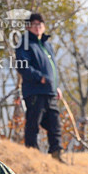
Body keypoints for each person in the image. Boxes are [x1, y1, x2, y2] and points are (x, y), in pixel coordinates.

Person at [15, 12, 64, 161]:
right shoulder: (24, 44)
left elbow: (52, 69)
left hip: (50, 91)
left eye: (40, 24)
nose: (38, 27)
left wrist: (56, 86)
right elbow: (22, 66)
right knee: (33, 123)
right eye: (35, 24)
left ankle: (56, 154)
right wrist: (39, 78)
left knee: (55, 125)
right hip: (35, 91)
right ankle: (32, 154)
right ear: (28, 27)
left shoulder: (46, 44)